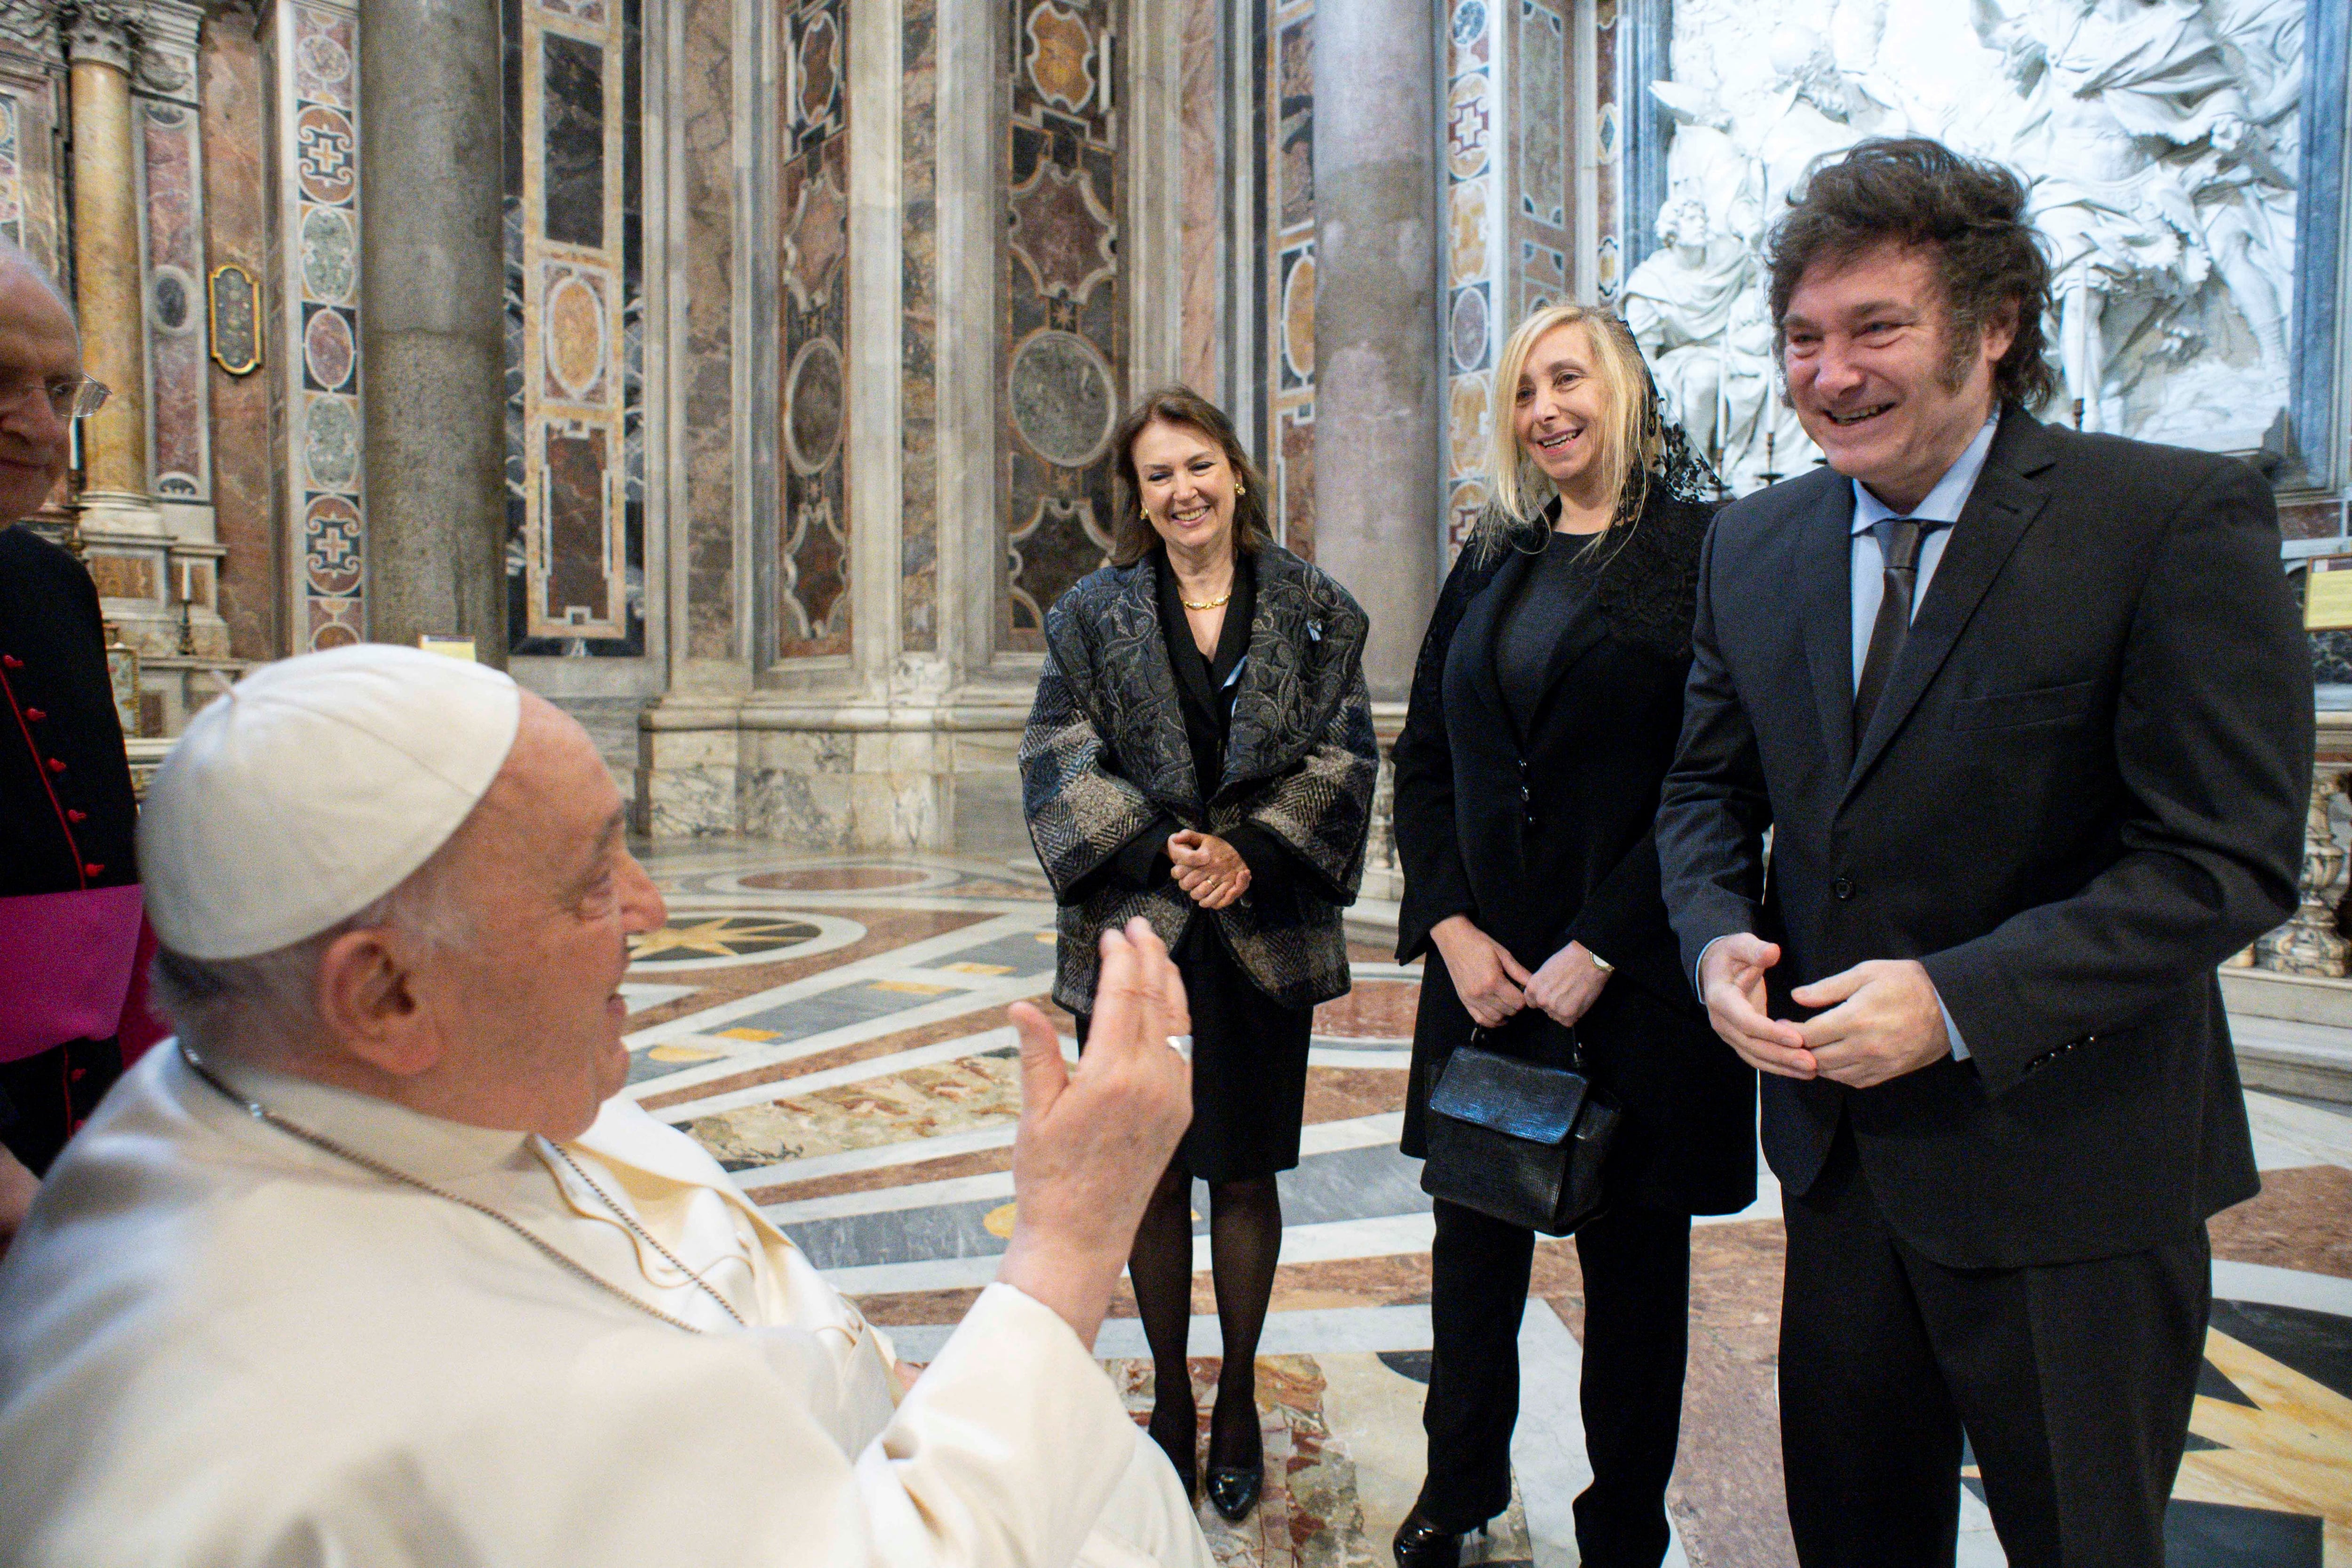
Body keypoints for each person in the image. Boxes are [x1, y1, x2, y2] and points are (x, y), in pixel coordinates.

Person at [0, 642, 1215, 1568]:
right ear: (382, 992)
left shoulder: (280, 1075)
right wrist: (1068, 1234)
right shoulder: (329, 1425)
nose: (652, 907)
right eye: (591, 880)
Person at [1655, 138, 2310, 1565]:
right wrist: (1715, 940)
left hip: (2073, 1173)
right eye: (1805, 339)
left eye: (1876, 327)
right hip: (1841, 1176)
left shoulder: (2165, 519)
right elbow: (1703, 791)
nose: (1831, 374)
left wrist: (1956, 1002)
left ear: (1994, 326)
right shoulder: (1751, 545)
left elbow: (2227, 855)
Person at [1388, 305, 1756, 1568]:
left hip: (1634, 978)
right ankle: (1459, 1483)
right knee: (1471, 1247)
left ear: (1624, 390)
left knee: (1637, 1277)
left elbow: (1718, 774)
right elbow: (1424, 758)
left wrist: (1603, 942)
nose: (1546, 409)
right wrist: (1449, 927)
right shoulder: (1494, 553)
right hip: (1486, 973)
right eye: (1526, 389)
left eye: (1569, 379)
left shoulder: (1708, 551)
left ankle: (1623, 1525)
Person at [1019, 386, 1377, 1520]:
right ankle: (1170, 1397)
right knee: (1157, 1171)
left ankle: (1235, 1404)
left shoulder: (1317, 608)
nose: (1182, 491)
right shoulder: (1090, 613)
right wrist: (1165, 845)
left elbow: (1344, 757)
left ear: (1236, 471)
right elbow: (1054, 756)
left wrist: (1250, 853)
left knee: (1243, 1169)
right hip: (1140, 932)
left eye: (1198, 466)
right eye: (1158, 475)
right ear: (1138, 495)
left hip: (1260, 930)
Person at [0, 241, 158, 1255]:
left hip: (77, 1110)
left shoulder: (53, 589)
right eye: (0, 382)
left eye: (61, 389)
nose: (42, 425)